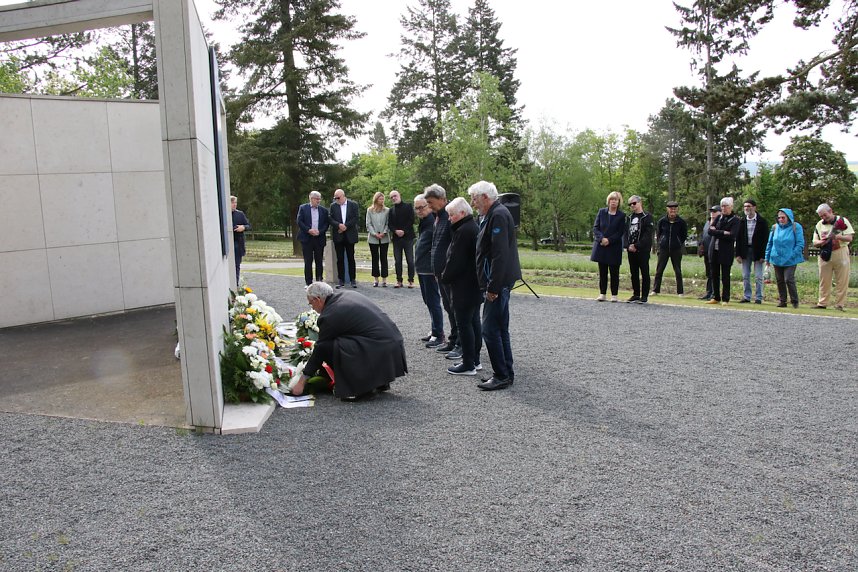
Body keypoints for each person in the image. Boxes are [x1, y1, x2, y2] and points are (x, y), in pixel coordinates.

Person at [289, 282, 407, 400]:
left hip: (380, 347)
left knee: (332, 347)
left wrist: (302, 381)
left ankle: (361, 388)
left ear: (317, 299)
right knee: (346, 340)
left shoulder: (329, 315)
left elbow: (321, 349)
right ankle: (377, 382)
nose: (312, 307)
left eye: (311, 303)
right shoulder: (347, 295)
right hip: (392, 343)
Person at [468, 180, 521, 391]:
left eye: (474, 198)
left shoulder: (497, 214)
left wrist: (493, 287)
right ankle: (506, 372)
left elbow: (499, 255)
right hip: (498, 282)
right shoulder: (493, 214)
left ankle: (501, 374)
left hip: (497, 284)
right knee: (500, 329)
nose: (473, 203)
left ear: (485, 197)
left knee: (490, 330)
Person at [440, 197, 482, 376]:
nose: (449, 218)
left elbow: (455, 260)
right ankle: (474, 359)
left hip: (464, 286)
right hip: (473, 285)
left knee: (464, 324)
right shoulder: (470, 227)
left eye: (451, 215)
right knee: (474, 323)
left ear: (462, 213)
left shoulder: (464, 231)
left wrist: (445, 277)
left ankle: (468, 363)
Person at [424, 184, 459, 358]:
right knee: (448, 306)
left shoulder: (451, 215)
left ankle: (460, 342)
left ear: (442, 199)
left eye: (431, 202)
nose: (429, 206)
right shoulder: (438, 216)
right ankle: (453, 339)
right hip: (440, 272)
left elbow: (455, 246)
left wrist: (447, 269)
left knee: (455, 308)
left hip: (449, 272)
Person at [414, 194, 445, 347]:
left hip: (429, 268)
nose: (419, 210)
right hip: (422, 267)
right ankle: (435, 330)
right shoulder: (424, 222)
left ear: (429, 206)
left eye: (422, 207)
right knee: (428, 300)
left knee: (433, 301)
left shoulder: (432, 221)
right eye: (417, 208)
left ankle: (438, 334)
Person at [812, 203, 854, 311]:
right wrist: (822, 241)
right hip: (825, 253)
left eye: (825, 215)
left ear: (830, 211)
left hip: (840, 251)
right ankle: (822, 302)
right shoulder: (819, 224)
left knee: (842, 280)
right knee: (824, 279)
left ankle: (840, 304)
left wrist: (837, 236)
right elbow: (815, 242)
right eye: (821, 216)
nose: (823, 218)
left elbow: (849, 238)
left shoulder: (842, 221)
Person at [764, 208, 805, 308]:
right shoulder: (774, 227)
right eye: (779, 218)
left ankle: (794, 301)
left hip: (791, 259)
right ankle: (783, 301)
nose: (781, 220)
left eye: (783, 217)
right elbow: (770, 243)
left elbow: (800, 243)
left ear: (789, 217)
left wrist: (793, 255)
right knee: (779, 280)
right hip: (776, 258)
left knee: (788, 279)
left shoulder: (796, 227)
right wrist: (767, 258)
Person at [591, 191, 626, 302]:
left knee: (614, 272)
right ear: (608, 201)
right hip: (601, 246)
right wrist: (602, 239)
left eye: (616, 200)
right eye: (612, 199)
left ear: (619, 202)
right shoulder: (601, 212)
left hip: (614, 247)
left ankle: (614, 295)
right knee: (603, 272)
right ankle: (602, 293)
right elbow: (596, 228)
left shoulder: (622, 216)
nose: (613, 202)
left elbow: (620, 232)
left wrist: (609, 240)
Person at [706, 197, 740, 305]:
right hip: (714, 250)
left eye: (726, 206)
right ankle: (715, 296)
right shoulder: (718, 218)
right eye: (722, 206)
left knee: (725, 276)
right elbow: (710, 231)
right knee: (714, 274)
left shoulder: (735, 220)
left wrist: (718, 232)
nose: (724, 208)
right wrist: (723, 232)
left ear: (731, 207)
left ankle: (725, 298)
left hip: (725, 251)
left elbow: (732, 235)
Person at [651, 201, 688, 297]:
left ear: (677, 209)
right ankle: (655, 290)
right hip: (664, 248)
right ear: (667, 209)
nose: (673, 210)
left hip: (676, 249)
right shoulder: (662, 221)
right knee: (659, 270)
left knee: (678, 270)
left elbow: (684, 235)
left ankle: (680, 292)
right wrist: (661, 243)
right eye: (671, 208)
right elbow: (659, 234)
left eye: (675, 208)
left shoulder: (681, 222)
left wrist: (678, 242)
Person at [735, 199, 768, 304]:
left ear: (754, 207)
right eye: (745, 206)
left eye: (749, 206)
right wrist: (738, 254)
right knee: (745, 275)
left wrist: (764, 255)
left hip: (757, 251)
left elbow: (765, 240)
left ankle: (758, 297)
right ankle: (747, 296)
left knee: (758, 276)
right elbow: (738, 239)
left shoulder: (762, 222)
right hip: (745, 251)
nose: (746, 208)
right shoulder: (742, 221)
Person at [623, 195, 653, 304]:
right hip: (631, 250)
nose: (632, 206)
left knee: (644, 272)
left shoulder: (647, 217)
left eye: (634, 203)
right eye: (630, 204)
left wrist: (637, 245)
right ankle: (636, 294)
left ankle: (644, 296)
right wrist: (628, 245)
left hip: (642, 250)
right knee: (633, 272)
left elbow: (647, 234)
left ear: (640, 203)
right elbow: (626, 233)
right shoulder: (629, 218)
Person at [296, 191, 330, 287]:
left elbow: (326, 224)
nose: (318, 201)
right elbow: (299, 221)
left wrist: (320, 231)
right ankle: (309, 282)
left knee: (319, 260)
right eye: (316, 199)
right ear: (311, 199)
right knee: (308, 261)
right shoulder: (303, 208)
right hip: (307, 238)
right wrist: (308, 230)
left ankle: (319, 280)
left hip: (319, 238)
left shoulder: (323, 210)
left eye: (319, 199)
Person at [330, 188, 359, 288]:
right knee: (340, 258)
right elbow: (331, 219)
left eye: (338, 198)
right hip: (339, 235)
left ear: (343, 196)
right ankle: (341, 279)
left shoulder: (353, 204)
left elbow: (355, 218)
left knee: (351, 258)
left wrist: (345, 226)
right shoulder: (333, 206)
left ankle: (353, 279)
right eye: (335, 198)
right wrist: (338, 225)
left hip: (350, 235)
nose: (337, 200)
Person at [388, 190, 416, 288]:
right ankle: (399, 280)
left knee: (410, 260)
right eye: (391, 197)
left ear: (399, 195)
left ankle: (411, 280)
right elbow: (390, 224)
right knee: (398, 261)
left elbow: (411, 219)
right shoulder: (391, 210)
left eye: (395, 196)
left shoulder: (408, 206)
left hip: (408, 237)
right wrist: (396, 231)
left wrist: (403, 231)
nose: (393, 198)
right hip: (396, 239)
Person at [365, 192, 391, 288]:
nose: (382, 200)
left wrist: (384, 232)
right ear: (376, 199)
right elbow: (368, 223)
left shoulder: (387, 210)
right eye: (380, 199)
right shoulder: (370, 210)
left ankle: (384, 279)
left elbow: (388, 223)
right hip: (373, 238)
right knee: (374, 258)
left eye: (383, 199)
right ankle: (376, 279)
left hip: (384, 238)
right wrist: (375, 233)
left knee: (384, 258)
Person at [697, 205, 720, 300]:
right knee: (708, 273)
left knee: (713, 273)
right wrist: (700, 245)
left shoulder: (719, 223)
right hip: (706, 251)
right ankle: (709, 292)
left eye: (715, 211)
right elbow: (703, 235)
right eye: (711, 211)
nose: (712, 213)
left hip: (714, 251)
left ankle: (714, 293)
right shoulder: (707, 223)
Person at [230, 195, 251, 284]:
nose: (234, 205)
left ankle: (236, 284)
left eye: (235, 203)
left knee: (236, 265)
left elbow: (249, 226)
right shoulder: (223, 215)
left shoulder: (240, 214)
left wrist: (243, 227)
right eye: (232, 203)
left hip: (238, 242)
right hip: (228, 242)